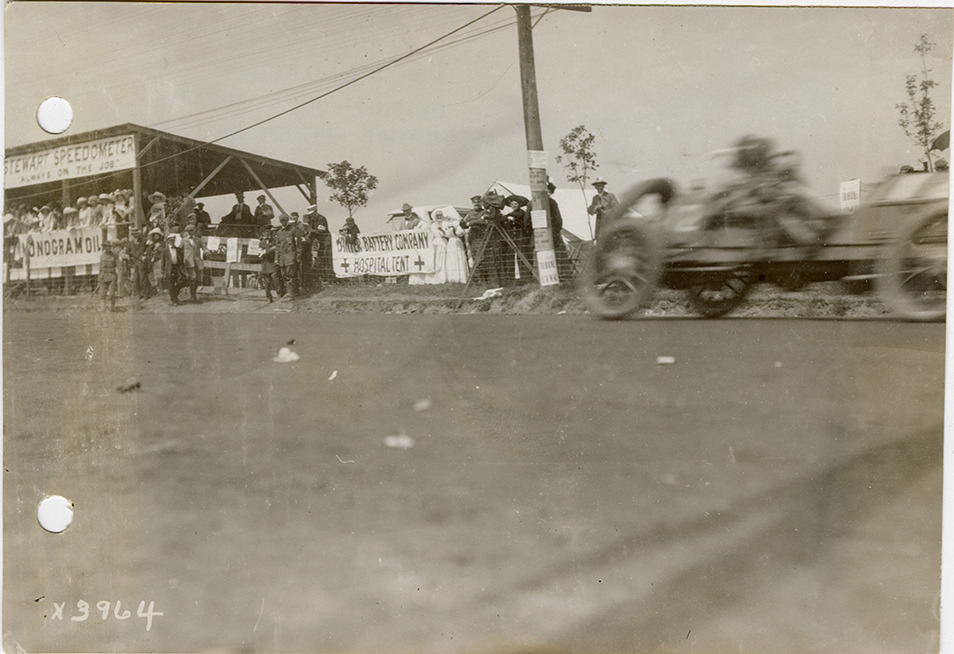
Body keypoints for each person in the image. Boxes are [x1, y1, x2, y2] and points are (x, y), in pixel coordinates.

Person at [547, 181, 573, 282]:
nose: (547, 193)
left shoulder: (552, 202)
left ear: (550, 193)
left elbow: (558, 219)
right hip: (547, 232)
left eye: (548, 192)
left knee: (558, 253)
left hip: (554, 231)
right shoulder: (541, 202)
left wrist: (555, 230)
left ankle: (563, 275)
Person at [275, 214, 301, 300]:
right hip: (282, 259)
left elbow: (298, 245)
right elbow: (277, 247)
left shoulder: (293, 230)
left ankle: (292, 294)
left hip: (290, 258)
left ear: (287, 220)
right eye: (281, 221)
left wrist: (297, 256)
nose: (283, 222)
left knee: (291, 276)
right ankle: (289, 292)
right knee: (284, 276)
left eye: (285, 220)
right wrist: (276, 259)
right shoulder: (279, 232)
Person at [305, 205, 333, 282]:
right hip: (320, 241)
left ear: (315, 212)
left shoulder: (321, 218)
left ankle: (330, 277)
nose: (311, 215)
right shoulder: (312, 220)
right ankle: (323, 277)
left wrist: (310, 229)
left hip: (326, 240)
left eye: (312, 214)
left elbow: (320, 231)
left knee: (327, 259)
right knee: (320, 258)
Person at [180, 223, 204, 302]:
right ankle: (192, 296)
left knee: (198, 278)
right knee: (193, 277)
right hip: (189, 261)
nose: (191, 232)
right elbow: (179, 250)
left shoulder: (198, 240)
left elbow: (204, 247)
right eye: (189, 231)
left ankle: (193, 294)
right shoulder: (184, 240)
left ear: (195, 231)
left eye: (192, 230)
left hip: (197, 261)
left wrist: (207, 251)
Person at [258, 226, 282, 302]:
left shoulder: (274, 240)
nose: (267, 233)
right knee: (266, 282)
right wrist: (269, 250)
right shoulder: (261, 242)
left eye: (268, 232)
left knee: (275, 278)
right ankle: (269, 297)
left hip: (272, 263)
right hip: (265, 264)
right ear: (262, 233)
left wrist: (266, 251)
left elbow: (276, 249)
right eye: (265, 232)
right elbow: (260, 254)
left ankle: (279, 294)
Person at [162, 233, 185, 306]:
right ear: (168, 241)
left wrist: (181, 268)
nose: (172, 242)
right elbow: (163, 261)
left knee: (179, 282)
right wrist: (162, 270)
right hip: (169, 269)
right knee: (171, 285)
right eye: (171, 241)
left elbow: (180, 259)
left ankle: (175, 297)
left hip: (176, 268)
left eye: (173, 241)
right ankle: (174, 300)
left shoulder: (177, 249)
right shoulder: (165, 250)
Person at [98, 241, 119, 312]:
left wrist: (119, 278)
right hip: (103, 276)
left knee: (111, 293)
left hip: (112, 276)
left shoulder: (114, 255)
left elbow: (119, 267)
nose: (107, 248)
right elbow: (100, 268)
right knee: (102, 293)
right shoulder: (102, 256)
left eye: (109, 246)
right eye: (105, 246)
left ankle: (112, 308)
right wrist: (99, 277)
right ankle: (102, 309)